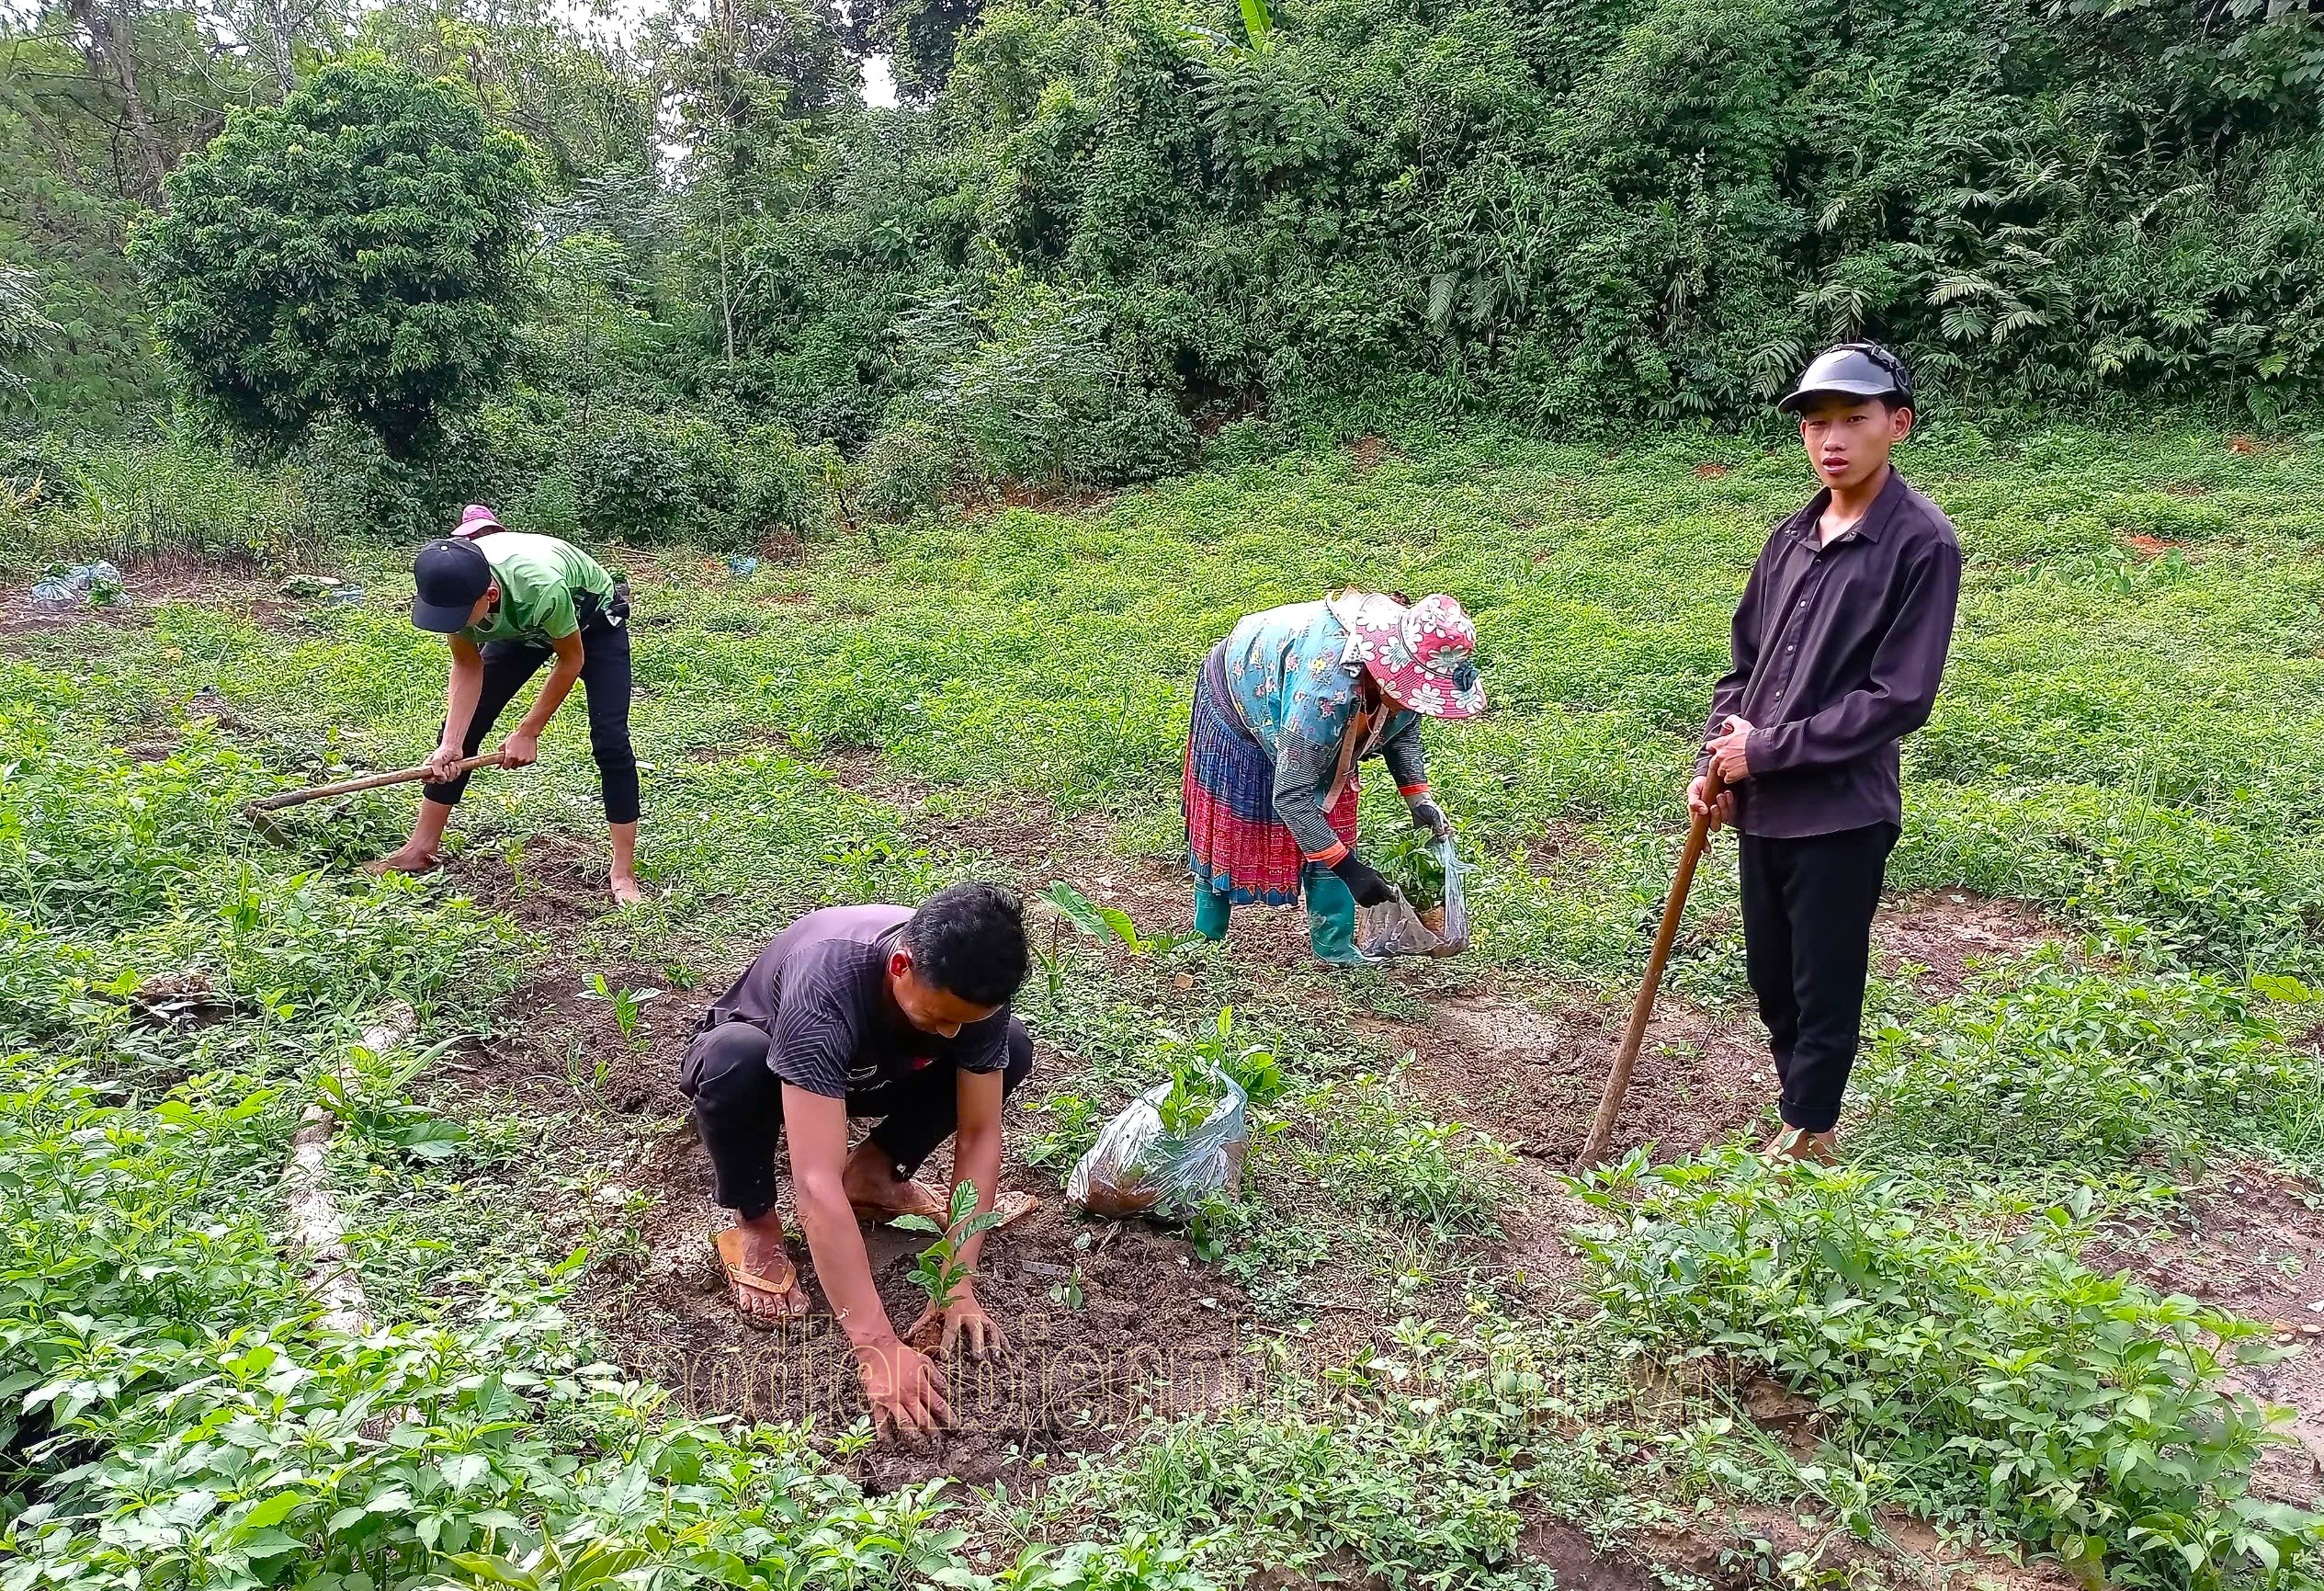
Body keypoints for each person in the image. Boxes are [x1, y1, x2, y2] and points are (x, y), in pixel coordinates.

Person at [1689, 342, 1962, 1163]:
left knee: (1822, 981)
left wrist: (1766, 750)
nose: (1830, 439)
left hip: (1840, 810)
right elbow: (1744, 663)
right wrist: (1718, 760)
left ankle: (1808, 1125)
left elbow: (1898, 697)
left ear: (1897, 425)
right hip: (1763, 802)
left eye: (1853, 418)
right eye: (1816, 424)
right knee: (1772, 980)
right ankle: (1805, 1117)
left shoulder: (1920, 543)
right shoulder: (1792, 534)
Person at [679, 882, 1038, 1436]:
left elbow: (979, 1133)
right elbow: (814, 1181)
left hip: (878, 1071)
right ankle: (756, 1225)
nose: (952, 1031)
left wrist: (956, 1280)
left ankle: (875, 1172)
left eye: (965, 1021)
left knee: (1007, 1046)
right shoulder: (825, 983)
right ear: (901, 965)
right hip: (775, 1063)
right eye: (939, 1017)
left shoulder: (973, 986)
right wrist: (877, 1345)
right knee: (735, 1063)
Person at [1185, 591, 1485, 966]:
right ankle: (1206, 934)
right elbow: (1292, 795)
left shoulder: (1406, 678)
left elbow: (1402, 726)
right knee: (1238, 817)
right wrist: (1349, 869)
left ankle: (1335, 947)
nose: (1417, 702)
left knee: (1337, 814)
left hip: (1307, 700)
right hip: (1240, 690)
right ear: (1385, 673)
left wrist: (1417, 797)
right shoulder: (1325, 693)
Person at [370, 506, 644, 904]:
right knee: (464, 728)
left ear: (491, 595)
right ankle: (420, 849)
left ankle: (623, 873)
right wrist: (450, 744)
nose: (455, 624)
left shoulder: (540, 588)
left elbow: (571, 658)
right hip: (521, 627)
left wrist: (528, 731)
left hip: (591, 620)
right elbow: (467, 664)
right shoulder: (459, 598)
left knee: (610, 739)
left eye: (461, 616)